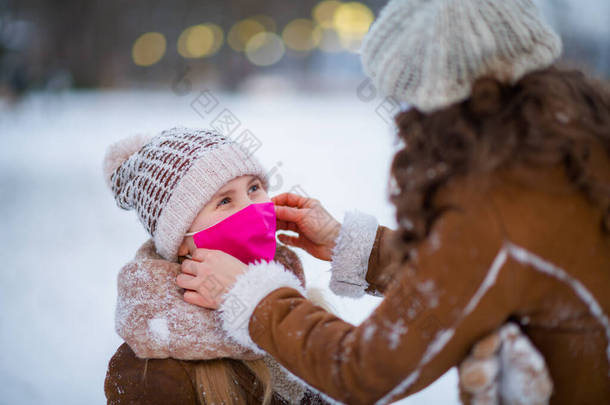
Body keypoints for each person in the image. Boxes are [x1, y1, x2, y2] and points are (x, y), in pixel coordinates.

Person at [177, 1, 610, 404]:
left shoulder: (497, 207)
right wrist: (360, 249)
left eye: (407, 103)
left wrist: (250, 298)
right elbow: (478, 274)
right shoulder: (573, 152)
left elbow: (362, 369)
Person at [102, 127, 329, 404]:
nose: (251, 209)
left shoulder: (299, 306)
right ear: (181, 241)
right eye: (224, 200)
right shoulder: (152, 370)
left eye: (254, 188)